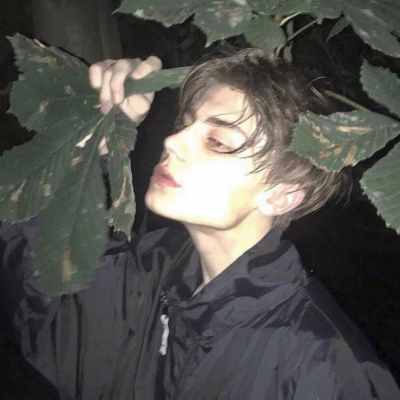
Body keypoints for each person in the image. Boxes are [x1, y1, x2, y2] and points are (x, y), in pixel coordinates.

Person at [1, 48, 399, 400]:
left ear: (281, 195)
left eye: (218, 141)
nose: (172, 142)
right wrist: (95, 141)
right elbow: (37, 280)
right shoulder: (147, 272)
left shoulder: (322, 367)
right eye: (185, 124)